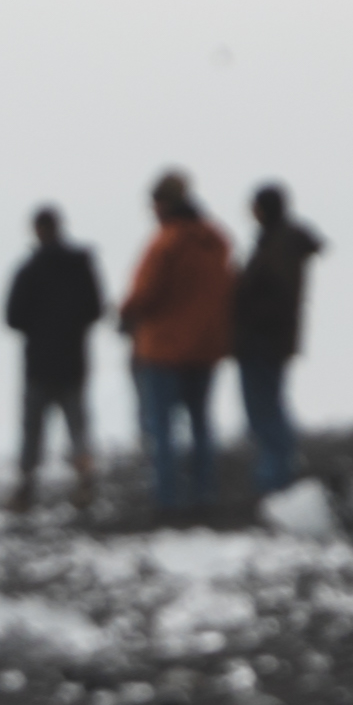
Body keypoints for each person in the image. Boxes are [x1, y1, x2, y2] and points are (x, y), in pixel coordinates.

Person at [120, 172, 234, 516]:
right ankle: (204, 493)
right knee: (201, 424)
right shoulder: (214, 240)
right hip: (206, 347)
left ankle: (167, 497)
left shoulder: (165, 243)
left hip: (163, 348)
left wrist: (125, 314)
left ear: (162, 204)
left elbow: (144, 293)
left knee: (162, 427)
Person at [4, 205, 108, 515]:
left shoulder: (29, 270)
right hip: (73, 358)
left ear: (36, 230)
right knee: (78, 424)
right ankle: (85, 481)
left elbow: (12, 317)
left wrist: (39, 326)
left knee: (33, 428)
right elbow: (96, 309)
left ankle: (26, 487)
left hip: (39, 362)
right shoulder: (81, 264)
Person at [232, 182, 328, 499]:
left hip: (263, 339)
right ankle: (278, 474)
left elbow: (275, 296)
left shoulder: (278, 244)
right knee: (269, 405)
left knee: (263, 410)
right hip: (275, 338)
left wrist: (244, 311)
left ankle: (276, 480)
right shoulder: (283, 242)